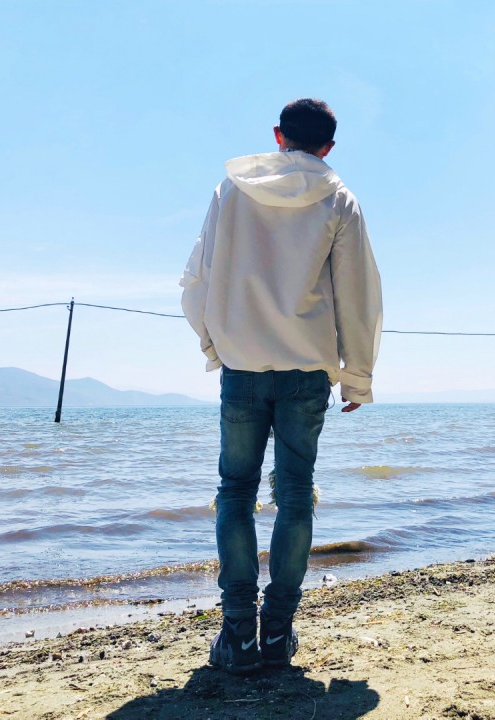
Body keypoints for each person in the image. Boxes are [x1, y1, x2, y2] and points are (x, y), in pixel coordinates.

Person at [180, 98, 382, 674]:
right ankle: (277, 632)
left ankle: (238, 634)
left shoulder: (231, 191)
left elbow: (198, 278)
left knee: (235, 493)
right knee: (295, 494)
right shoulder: (339, 199)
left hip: (242, 366)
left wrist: (213, 345)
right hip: (307, 370)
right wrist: (357, 375)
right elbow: (358, 294)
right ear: (329, 147)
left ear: (277, 135)